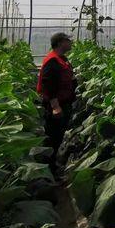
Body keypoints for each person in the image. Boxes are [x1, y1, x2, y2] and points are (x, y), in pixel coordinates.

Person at [37, 32, 77, 175]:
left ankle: (52, 167)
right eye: (68, 41)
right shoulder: (52, 61)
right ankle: (47, 170)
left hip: (64, 103)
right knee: (53, 137)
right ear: (60, 43)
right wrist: (55, 107)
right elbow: (47, 85)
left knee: (58, 136)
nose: (71, 43)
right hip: (56, 106)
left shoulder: (62, 59)